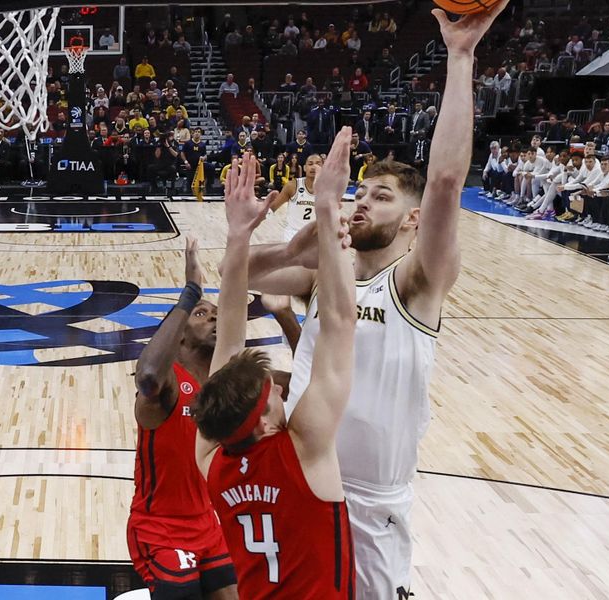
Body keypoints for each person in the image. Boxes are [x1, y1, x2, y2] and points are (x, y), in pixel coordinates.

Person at [242, 4, 508, 597]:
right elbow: (239, 274)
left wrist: (460, 57)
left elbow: (444, 182)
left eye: (381, 197)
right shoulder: (326, 273)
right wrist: (299, 240)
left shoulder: (418, 282)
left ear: (413, 219)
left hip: (370, 500)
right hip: (297, 472)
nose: (362, 202)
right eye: (360, 192)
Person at [194, 138, 356, 598]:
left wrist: (239, 236)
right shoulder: (303, 451)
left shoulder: (213, 462)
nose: (283, 391)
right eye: (276, 395)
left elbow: (228, 341)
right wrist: (329, 209)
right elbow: (342, 321)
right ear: (265, 424)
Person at [128, 237, 239, 600]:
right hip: (160, 529)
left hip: (208, 523)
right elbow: (146, 376)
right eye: (202, 314)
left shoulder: (224, 382)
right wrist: (190, 294)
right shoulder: (169, 383)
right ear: (178, 336)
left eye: (217, 313)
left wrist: (285, 314)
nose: (213, 318)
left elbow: (299, 383)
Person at [269, 153, 323, 241]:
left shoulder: (328, 190)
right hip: (293, 234)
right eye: (310, 164)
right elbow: (273, 207)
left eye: (318, 164)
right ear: (305, 168)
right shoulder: (292, 186)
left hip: (315, 236)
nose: (314, 167)